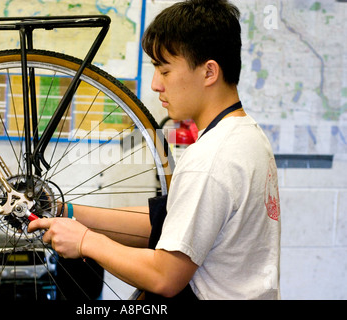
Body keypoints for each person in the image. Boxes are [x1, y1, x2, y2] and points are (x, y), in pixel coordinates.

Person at [28, 0, 281, 300]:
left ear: (209, 72)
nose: (155, 84)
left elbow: (164, 276)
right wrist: (65, 212)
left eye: (165, 70)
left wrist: (84, 241)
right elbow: (171, 223)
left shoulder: (212, 159)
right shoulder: (246, 136)